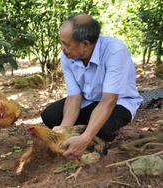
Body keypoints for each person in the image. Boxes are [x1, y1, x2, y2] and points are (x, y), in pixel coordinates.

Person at [41, 14, 143, 160]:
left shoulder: (115, 51)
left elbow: (109, 100)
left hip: (118, 103)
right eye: (62, 43)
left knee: (104, 129)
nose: (62, 48)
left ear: (85, 45)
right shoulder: (67, 56)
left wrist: (85, 138)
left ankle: (93, 138)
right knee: (50, 116)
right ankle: (82, 134)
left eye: (66, 44)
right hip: (88, 100)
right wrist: (63, 131)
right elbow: (74, 98)